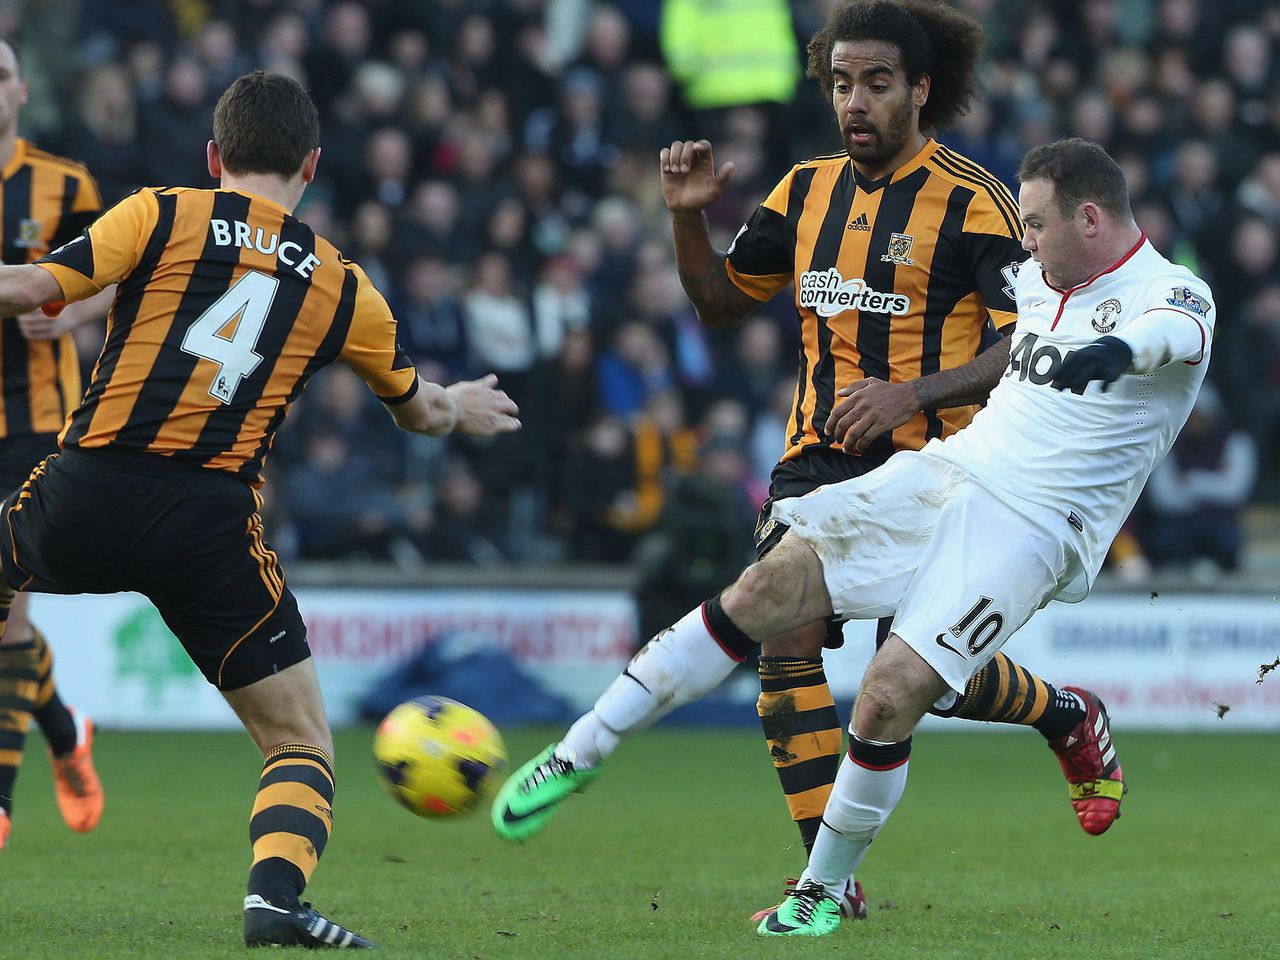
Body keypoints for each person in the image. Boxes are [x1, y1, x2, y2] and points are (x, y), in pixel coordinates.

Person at [494, 0, 1119, 916]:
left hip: (942, 470)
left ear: (919, 90)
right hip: (816, 463)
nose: (854, 102)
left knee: (911, 685)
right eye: (840, 84)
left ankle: (1066, 714)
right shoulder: (801, 191)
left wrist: (914, 394)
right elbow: (718, 301)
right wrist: (684, 221)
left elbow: (1027, 343)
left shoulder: (977, 203)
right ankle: (828, 882)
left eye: (875, 83)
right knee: (778, 631)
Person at [0, 71, 520, 949]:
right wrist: (462, 403)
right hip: (209, 526)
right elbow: (421, 412)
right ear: (310, 165)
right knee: (300, 742)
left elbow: (31, 289)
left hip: (89, 487)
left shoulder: (159, 212)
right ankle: (275, 902)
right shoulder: (343, 285)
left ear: (214, 157)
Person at [0, 36, 110, 853]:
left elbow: (99, 282)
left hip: (38, 429)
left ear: (22, 87)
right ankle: (66, 733)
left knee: (4, 620)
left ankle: (0, 805)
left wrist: (63, 311)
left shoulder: (65, 183)